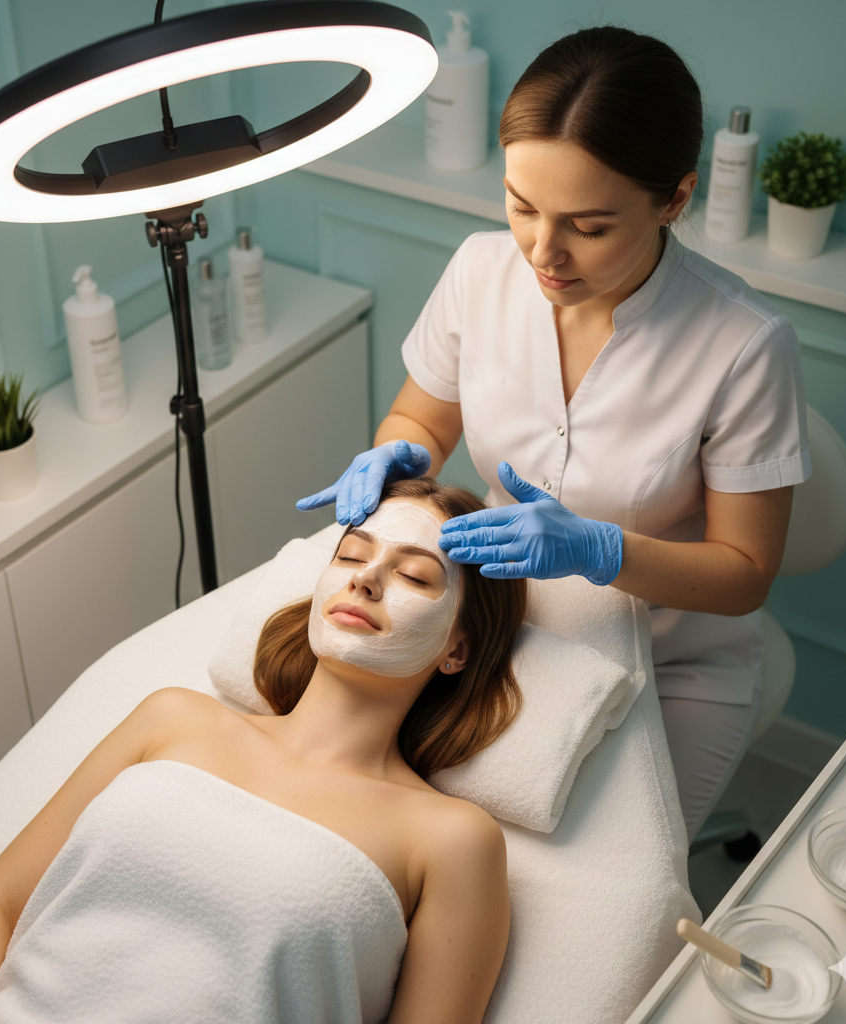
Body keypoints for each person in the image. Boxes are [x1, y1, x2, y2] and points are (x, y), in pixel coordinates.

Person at [298, 26, 810, 843]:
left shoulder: (744, 344)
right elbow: (422, 418)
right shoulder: (479, 270)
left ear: (674, 199)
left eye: (590, 226)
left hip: (671, 665)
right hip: (508, 625)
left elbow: (745, 575)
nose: (543, 250)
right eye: (522, 205)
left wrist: (601, 552)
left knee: (605, 886)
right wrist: (402, 454)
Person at [0, 478, 527, 1024]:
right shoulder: (174, 719)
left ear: (458, 650)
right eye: (350, 554)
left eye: (414, 575)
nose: (365, 578)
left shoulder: (451, 839)